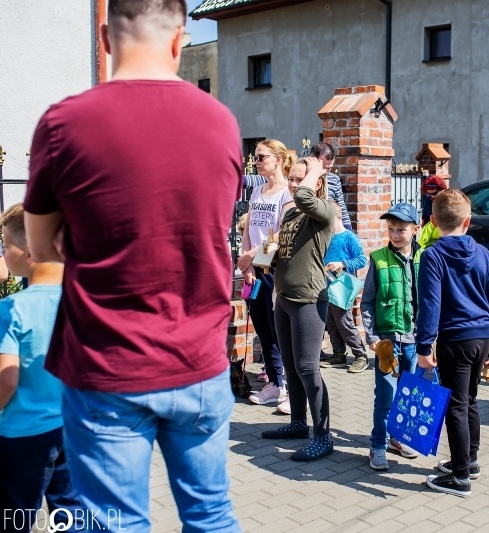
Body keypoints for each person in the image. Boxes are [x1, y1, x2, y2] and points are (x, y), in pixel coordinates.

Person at [23, 1, 241, 530]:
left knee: (115, 524)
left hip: (107, 366)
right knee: (211, 515)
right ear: (179, 40)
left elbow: (41, 247)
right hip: (200, 359)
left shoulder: (64, 123)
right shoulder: (222, 122)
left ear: (105, 36)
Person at [416, 189, 489, 497]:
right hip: (481, 337)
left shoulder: (432, 256)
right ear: (469, 221)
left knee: (455, 405)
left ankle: (460, 477)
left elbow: (430, 305)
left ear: (431, 221)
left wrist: (424, 346)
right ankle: (470, 460)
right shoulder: (482, 253)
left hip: (455, 338)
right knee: (469, 400)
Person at [0, 205, 82, 533]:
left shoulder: (11, 309)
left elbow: (7, 379)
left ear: (30, 251)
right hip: (76, 428)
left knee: (16, 515)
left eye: (5, 245)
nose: (3, 253)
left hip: (23, 435)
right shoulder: (84, 302)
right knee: (73, 516)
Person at [261, 157, 337, 461]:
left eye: (298, 179)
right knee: (292, 367)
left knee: (308, 368)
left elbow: (307, 197)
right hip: (286, 298)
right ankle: (297, 423)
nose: (292, 185)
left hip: (309, 300)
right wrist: (270, 257)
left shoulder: (323, 211)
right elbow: (286, 249)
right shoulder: (292, 213)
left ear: (315, 182)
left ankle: (323, 436)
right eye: (290, 179)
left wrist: (317, 169)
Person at [360, 202, 422, 470]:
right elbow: (367, 301)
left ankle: (398, 436)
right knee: (386, 394)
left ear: (415, 229)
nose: (395, 234)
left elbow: (433, 301)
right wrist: (371, 335)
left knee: (408, 394)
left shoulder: (426, 257)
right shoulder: (379, 259)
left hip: (416, 341)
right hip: (387, 340)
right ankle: (377, 445)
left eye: (401, 229)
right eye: (391, 229)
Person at [240, 139, 294, 406]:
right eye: (256, 157)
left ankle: (287, 387)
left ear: (278, 159)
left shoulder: (287, 194)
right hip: (255, 272)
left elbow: (282, 235)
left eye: (261, 157)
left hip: (275, 269)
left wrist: (252, 256)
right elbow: (249, 227)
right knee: (262, 328)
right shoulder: (257, 191)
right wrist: (248, 264)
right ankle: (273, 383)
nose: (257, 161)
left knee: (278, 330)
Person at [319, 201, 369, 373]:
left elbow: (362, 260)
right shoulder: (326, 237)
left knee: (344, 322)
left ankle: (360, 354)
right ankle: (338, 354)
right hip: (326, 286)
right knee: (331, 322)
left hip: (342, 287)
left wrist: (342, 263)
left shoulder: (349, 237)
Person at [311, 142, 352, 230]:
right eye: (323, 167)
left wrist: (348, 231)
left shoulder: (333, 179)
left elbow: (341, 206)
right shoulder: (301, 178)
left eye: (329, 168)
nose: (326, 172)